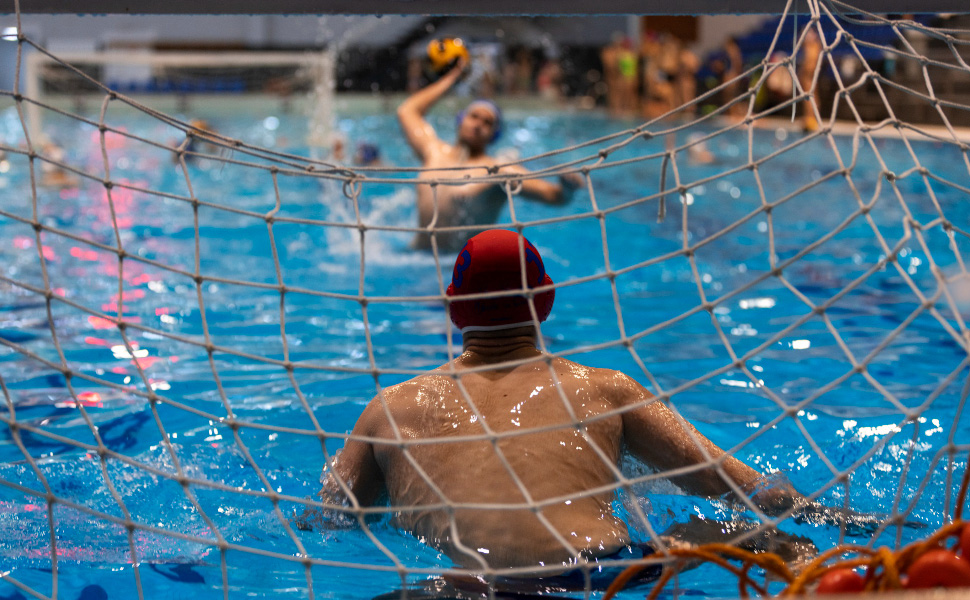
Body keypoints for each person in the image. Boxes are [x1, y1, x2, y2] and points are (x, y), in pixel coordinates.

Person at [301, 229, 842, 596]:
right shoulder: (605, 389)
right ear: (546, 300)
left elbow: (330, 520)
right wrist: (841, 520)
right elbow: (740, 486)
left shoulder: (388, 409)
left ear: (453, 307)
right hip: (598, 578)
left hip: (457, 589)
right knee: (758, 537)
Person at [397, 60, 581, 252]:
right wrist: (452, 79)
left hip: (459, 264)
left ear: (494, 134)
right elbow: (407, 110)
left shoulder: (498, 172)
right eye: (474, 116)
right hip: (415, 255)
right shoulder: (433, 151)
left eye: (487, 122)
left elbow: (553, 196)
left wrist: (567, 189)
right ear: (461, 119)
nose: (478, 125)